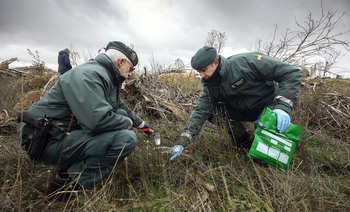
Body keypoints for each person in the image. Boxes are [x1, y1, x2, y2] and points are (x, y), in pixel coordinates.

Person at [17, 41, 152, 196]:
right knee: (125, 139)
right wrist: (127, 123)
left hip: (61, 134)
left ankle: (71, 165)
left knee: (120, 118)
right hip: (46, 141)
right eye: (131, 69)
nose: (130, 74)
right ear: (120, 62)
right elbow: (96, 122)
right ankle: (66, 184)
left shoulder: (105, 75)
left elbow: (120, 107)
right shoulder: (88, 75)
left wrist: (141, 124)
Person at [166, 46, 302, 160]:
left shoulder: (246, 62)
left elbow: (291, 73)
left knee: (265, 157)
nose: (201, 76)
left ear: (215, 62)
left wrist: (283, 107)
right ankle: (244, 142)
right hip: (244, 110)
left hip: (268, 105)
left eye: (203, 70)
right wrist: (182, 143)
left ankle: (273, 158)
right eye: (199, 72)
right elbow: (200, 111)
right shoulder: (210, 86)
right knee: (211, 112)